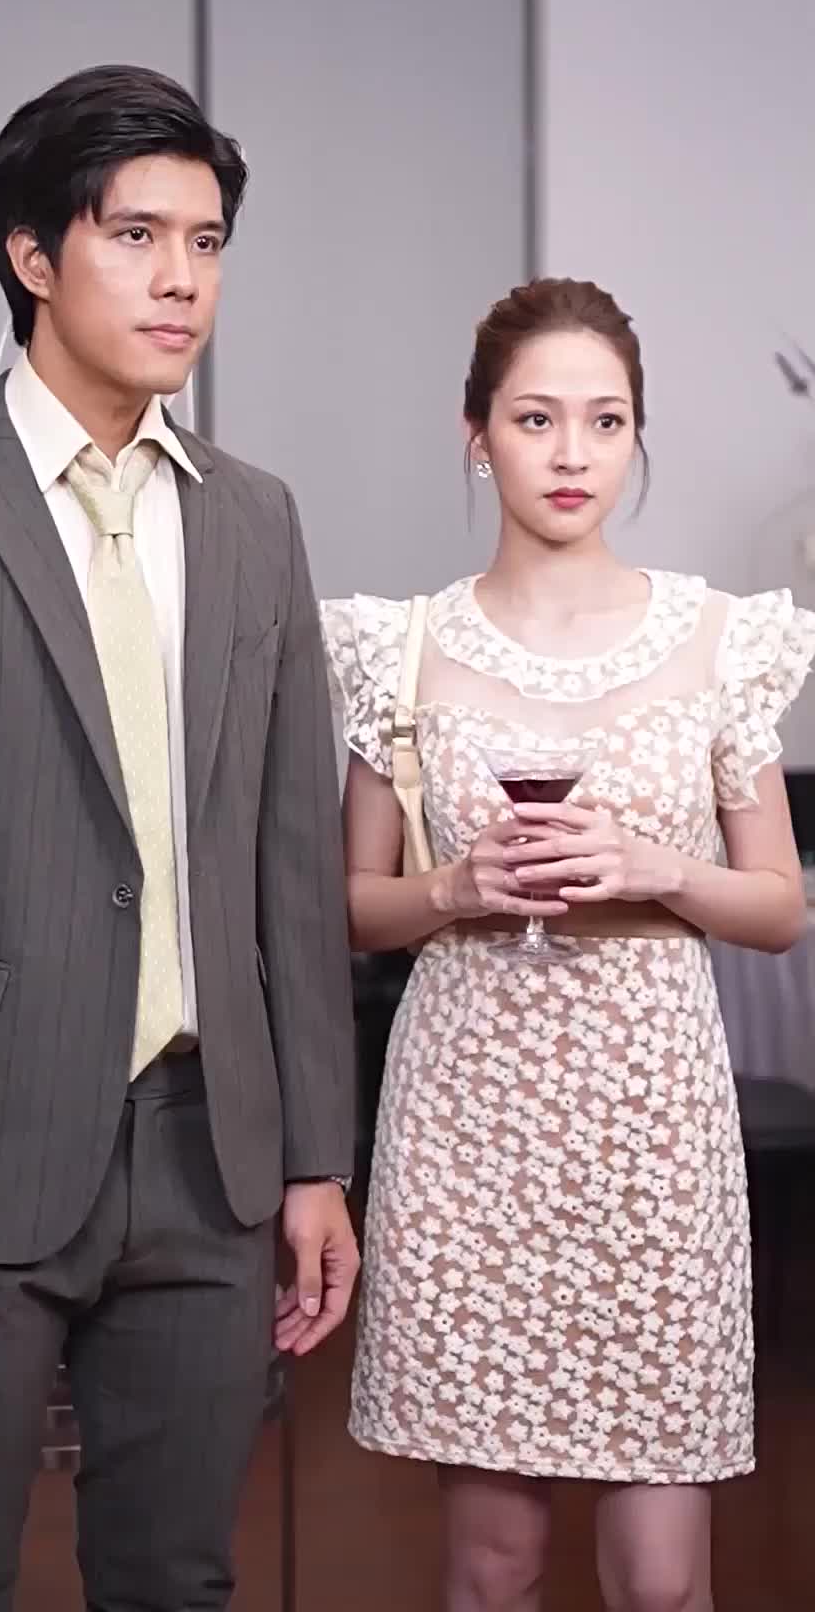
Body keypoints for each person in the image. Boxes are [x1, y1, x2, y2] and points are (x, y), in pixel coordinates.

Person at [0, 63, 358, 1612]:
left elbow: (292, 872)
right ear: (33, 256)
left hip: (214, 1158)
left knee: (177, 1578)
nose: (182, 280)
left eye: (208, 243)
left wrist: (315, 1160)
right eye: (137, 235)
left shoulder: (255, 519)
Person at [322, 277, 813, 1612]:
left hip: (651, 1130)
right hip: (469, 1123)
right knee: (494, 1565)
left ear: (637, 435)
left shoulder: (720, 640)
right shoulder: (399, 648)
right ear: (476, 433)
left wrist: (660, 870)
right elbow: (351, 905)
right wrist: (456, 887)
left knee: (661, 1578)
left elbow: (780, 908)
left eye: (606, 420)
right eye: (536, 418)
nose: (572, 452)